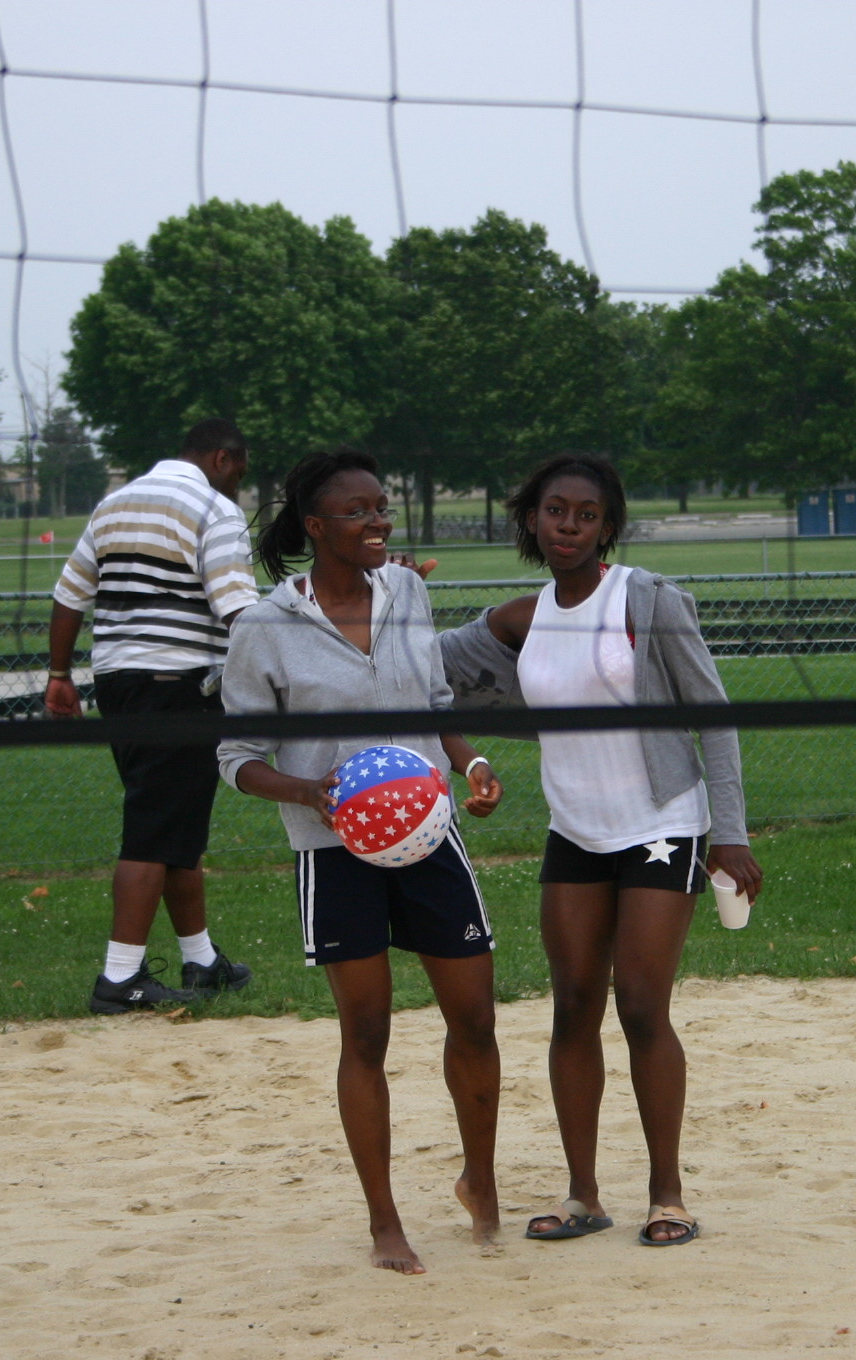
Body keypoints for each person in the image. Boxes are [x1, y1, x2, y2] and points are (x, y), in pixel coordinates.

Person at [440, 453, 763, 1249]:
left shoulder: (645, 600)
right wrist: (390, 594)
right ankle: (582, 1196)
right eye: (556, 511)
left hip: (661, 824)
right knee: (574, 1008)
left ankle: (667, 1195)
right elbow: (418, 670)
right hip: (575, 830)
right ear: (532, 519)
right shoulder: (518, 619)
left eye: (587, 515)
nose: (569, 526)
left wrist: (730, 833)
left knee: (643, 1007)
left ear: (608, 526)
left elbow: (713, 715)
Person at [217, 448, 507, 1275]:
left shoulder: (408, 592)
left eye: (382, 507)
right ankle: (385, 1222)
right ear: (315, 527)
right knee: (367, 1033)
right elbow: (237, 757)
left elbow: (437, 705)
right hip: (334, 849)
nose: (378, 521)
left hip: (428, 836)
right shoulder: (264, 627)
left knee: (475, 1019)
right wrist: (310, 792)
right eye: (358, 511)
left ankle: (480, 1179)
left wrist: (470, 764)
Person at [46, 417, 256, 1014]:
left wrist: (59, 675)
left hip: (118, 682)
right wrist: (277, 673)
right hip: (180, 686)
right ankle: (120, 977)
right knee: (151, 830)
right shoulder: (214, 510)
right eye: (239, 471)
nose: (239, 483)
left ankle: (202, 961)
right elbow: (238, 608)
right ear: (221, 458)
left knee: (175, 826)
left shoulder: (113, 504)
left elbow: (69, 595)